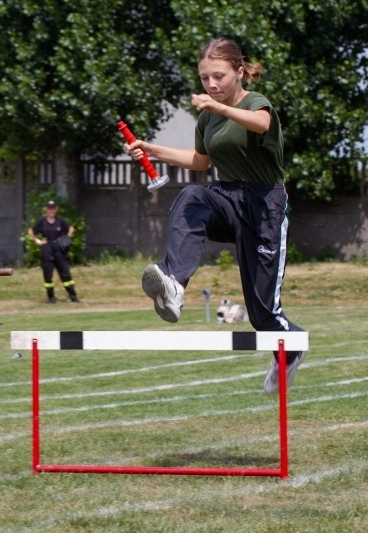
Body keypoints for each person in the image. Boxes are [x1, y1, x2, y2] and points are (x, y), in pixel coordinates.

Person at [123, 37, 305, 395]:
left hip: (264, 205)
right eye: (205, 79)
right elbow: (200, 162)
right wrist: (152, 149)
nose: (212, 85)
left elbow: (260, 124)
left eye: (219, 76)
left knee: (262, 313)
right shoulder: (208, 116)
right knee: (192, 195)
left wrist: (218, 108)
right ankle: (174, 281)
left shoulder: (256, 104)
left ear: (240, 71)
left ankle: (290, 346)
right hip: (228, 198)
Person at [27, 200, 80, 303]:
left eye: (53, 208)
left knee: (65, 273)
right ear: (46, 210)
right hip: (47, 248)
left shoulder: (60, 221)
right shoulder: (42, 222)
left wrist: (67, 238)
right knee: (48, 274)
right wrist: (38, 241)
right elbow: (31, 231)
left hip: (59, 248)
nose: (51, 210)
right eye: (49, 208)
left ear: (56, 209)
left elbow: (71, 229)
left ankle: (73, 296)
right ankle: (51, 297)